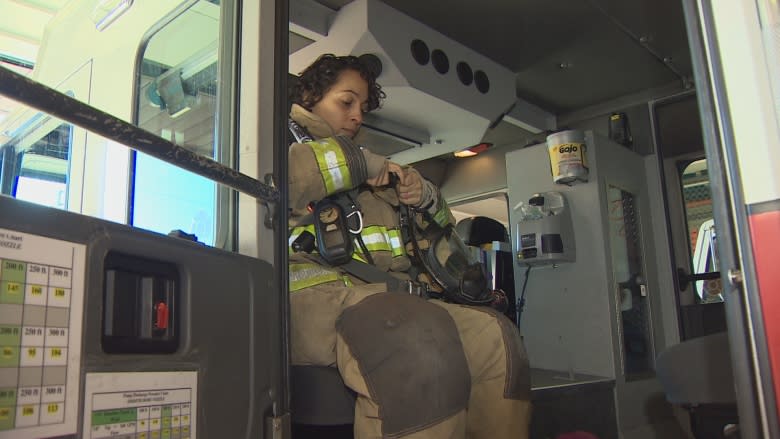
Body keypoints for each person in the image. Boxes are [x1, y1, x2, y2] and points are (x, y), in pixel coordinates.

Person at [288, 53, 531, 439]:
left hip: (389, 302)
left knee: (496, 337)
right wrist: (361, 162)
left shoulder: (380, 173)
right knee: (414, 334)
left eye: (363, 107)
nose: (356, 116)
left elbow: (440, 242)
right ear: (310, 96)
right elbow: (284, 179)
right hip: (314, 305)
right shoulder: (276, 142)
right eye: (346, 101)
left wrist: (426, 198)